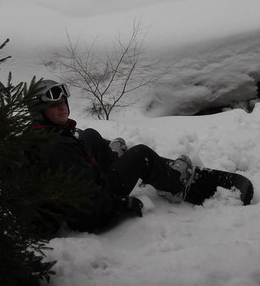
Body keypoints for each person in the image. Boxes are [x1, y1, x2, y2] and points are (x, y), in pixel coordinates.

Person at [27, 79, 194, 233]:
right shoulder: (58, 148)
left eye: (63, 102)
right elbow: (88, 201)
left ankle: (115, 160)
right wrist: (121, 204)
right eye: (54, 105)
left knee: (90, 135)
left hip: (82, 189)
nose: (62, 107)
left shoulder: (38, 135)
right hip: (95, 210)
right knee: (141, 154)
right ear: (39, 111)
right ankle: (176, 185)